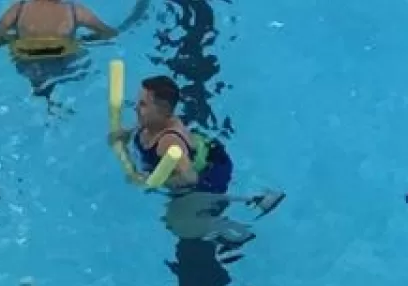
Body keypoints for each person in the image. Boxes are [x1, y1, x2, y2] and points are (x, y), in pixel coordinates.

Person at [108, 76, 284, 243]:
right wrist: (126, 134)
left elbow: (190, 178)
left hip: (209, 173)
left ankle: (252, 206)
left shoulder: (169, 142)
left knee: (177, 223)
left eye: (143, 104)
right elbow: (141, 127)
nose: (136, 108)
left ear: (162, 112)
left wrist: (154, 182)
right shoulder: (152, 121)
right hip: (203, 150)